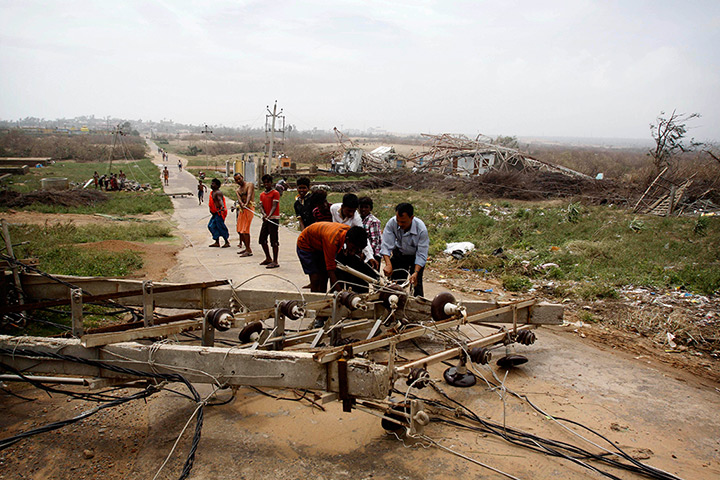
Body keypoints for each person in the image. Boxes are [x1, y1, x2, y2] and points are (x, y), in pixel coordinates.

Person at [296, 223, 367, 293]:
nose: (353, 252)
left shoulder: (350, 233)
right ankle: (315, 299)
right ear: (347, 240)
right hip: (306, 245)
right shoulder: (332, 241)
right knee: (315, 278)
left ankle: (323, 297)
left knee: (323, 276)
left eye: (357, 250)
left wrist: (359, 252)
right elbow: (330, 270)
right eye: (352, 248)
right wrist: (340, 293)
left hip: (320, 244)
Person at [380, 203, 429, 297]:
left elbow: (421, 254)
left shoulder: (421, 229)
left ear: (411, 218)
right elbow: (386, 245)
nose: (399, 224)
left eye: (403, 222)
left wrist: (416, 272)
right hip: (399, 255)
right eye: (398, 221)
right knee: (394, 286)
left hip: (415, 257)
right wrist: (388, 265)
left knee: (416, 286)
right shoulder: (392, 223)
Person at [329, 193, 377, 269]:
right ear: (342, 207)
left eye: (353, 211)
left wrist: (370, 256)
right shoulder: (333, 209)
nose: (351, 214)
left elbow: (363, 237)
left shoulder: (356, 219)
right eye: (349, 211)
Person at [258, 174, 280, 268]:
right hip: (266, 219)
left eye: (268, 182)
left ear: (271, 183)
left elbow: (274, 206)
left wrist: (269, 216)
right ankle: (268, 258)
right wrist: (264, 215)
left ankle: (275, 261)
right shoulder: (262, 194)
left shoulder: (275, 193)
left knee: (274, 241)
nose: (266, 184)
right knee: (262, 239)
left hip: (273, 219)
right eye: (265, 182)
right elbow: (261, 206)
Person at [233, 173, 255, 257]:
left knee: (245, 229)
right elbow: (239, 199)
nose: (238, 181)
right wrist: (241, 204)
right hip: (242, 210)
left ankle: (249, 250)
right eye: (236, 180)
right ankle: (246, 248)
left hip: (249, 208)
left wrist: (246, 203)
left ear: (242, 177)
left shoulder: (249, 185)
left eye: (239, 178)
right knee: (240, 229)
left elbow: (249, 194)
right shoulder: (238, 190)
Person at [208, 178, 230, 248]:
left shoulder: (218, 192)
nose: (212, 185)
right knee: (211, 226)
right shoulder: (212, 192)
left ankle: (226, 242)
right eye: (211, 183)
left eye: (213, 184)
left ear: (217, 186)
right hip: (215, 213)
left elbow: (220, 200)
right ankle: (217, 242)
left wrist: (222, 207)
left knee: (220, 227)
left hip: (219, 213)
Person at [359, 196, 382, 262]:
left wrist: (367, 253)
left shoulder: (373, 221)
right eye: (361, 207)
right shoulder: (358, 219)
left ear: (370, 208)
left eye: (366, 207)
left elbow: (374, 241)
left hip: (373, 254)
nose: (363, 209)